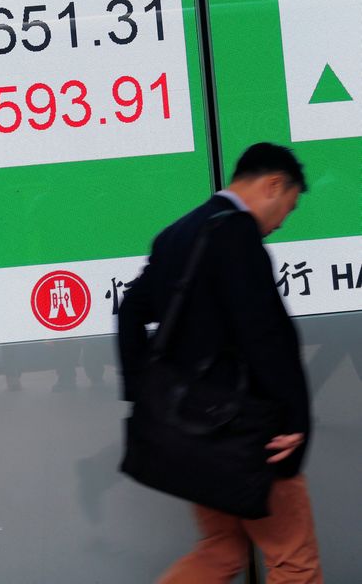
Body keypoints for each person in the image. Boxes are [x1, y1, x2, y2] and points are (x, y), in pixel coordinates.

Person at [117, 143, 322, 583]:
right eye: (287, 208)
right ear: (273, 184)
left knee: (221, 550)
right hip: (252, 435)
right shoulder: (237, 234)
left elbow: (131, 310)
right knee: (293, 559)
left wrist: (141, 393)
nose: (281, 222)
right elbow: (265, 336)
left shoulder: (177, 234)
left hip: (196, 433)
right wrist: (295, 419)